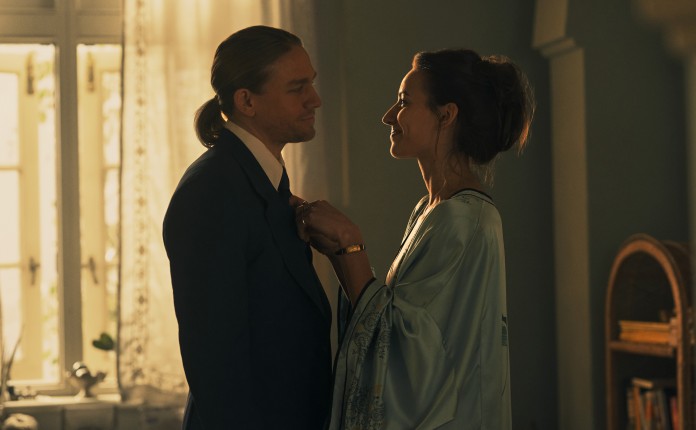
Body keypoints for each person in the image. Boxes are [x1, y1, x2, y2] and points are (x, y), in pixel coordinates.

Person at [296, 48, 535, 429]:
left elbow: (410, 355)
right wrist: (340, 252)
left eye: (404, 102)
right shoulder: (431, 209)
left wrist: (349, 243)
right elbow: (405, 329)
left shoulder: (461, 218)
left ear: (447, 115)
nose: (388, 116)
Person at [162, 25, 332, 429]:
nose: (315, 99)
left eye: (311, 83)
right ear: (247, 101)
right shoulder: (212, 191)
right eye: (297, 88)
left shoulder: (262, 183)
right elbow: (216, 363)